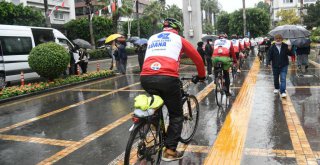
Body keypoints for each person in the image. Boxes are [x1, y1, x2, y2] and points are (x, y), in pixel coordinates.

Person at [140, 18, 205, 161]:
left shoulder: (152, 38)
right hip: (168, 78)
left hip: (146, 77)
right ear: (177, 29)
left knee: (156, 106)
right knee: (176, 115)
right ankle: (170, 151)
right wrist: (201, 76)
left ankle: (151, 126)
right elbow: (198, 59)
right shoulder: (178, 39)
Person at [266, 34, 292, 98]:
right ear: (275, 39)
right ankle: (276, 88)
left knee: (283, 78)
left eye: (279, 38)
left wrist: (289, 49)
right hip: (275, 65)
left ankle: (283, 91)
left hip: (284, 65)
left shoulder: (285, 46)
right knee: (276, 78)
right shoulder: (272, 47)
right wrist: (268, 63)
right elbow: (269, 55)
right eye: (277, 38)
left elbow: (291, 54)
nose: (278, 39)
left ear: (282, 39)